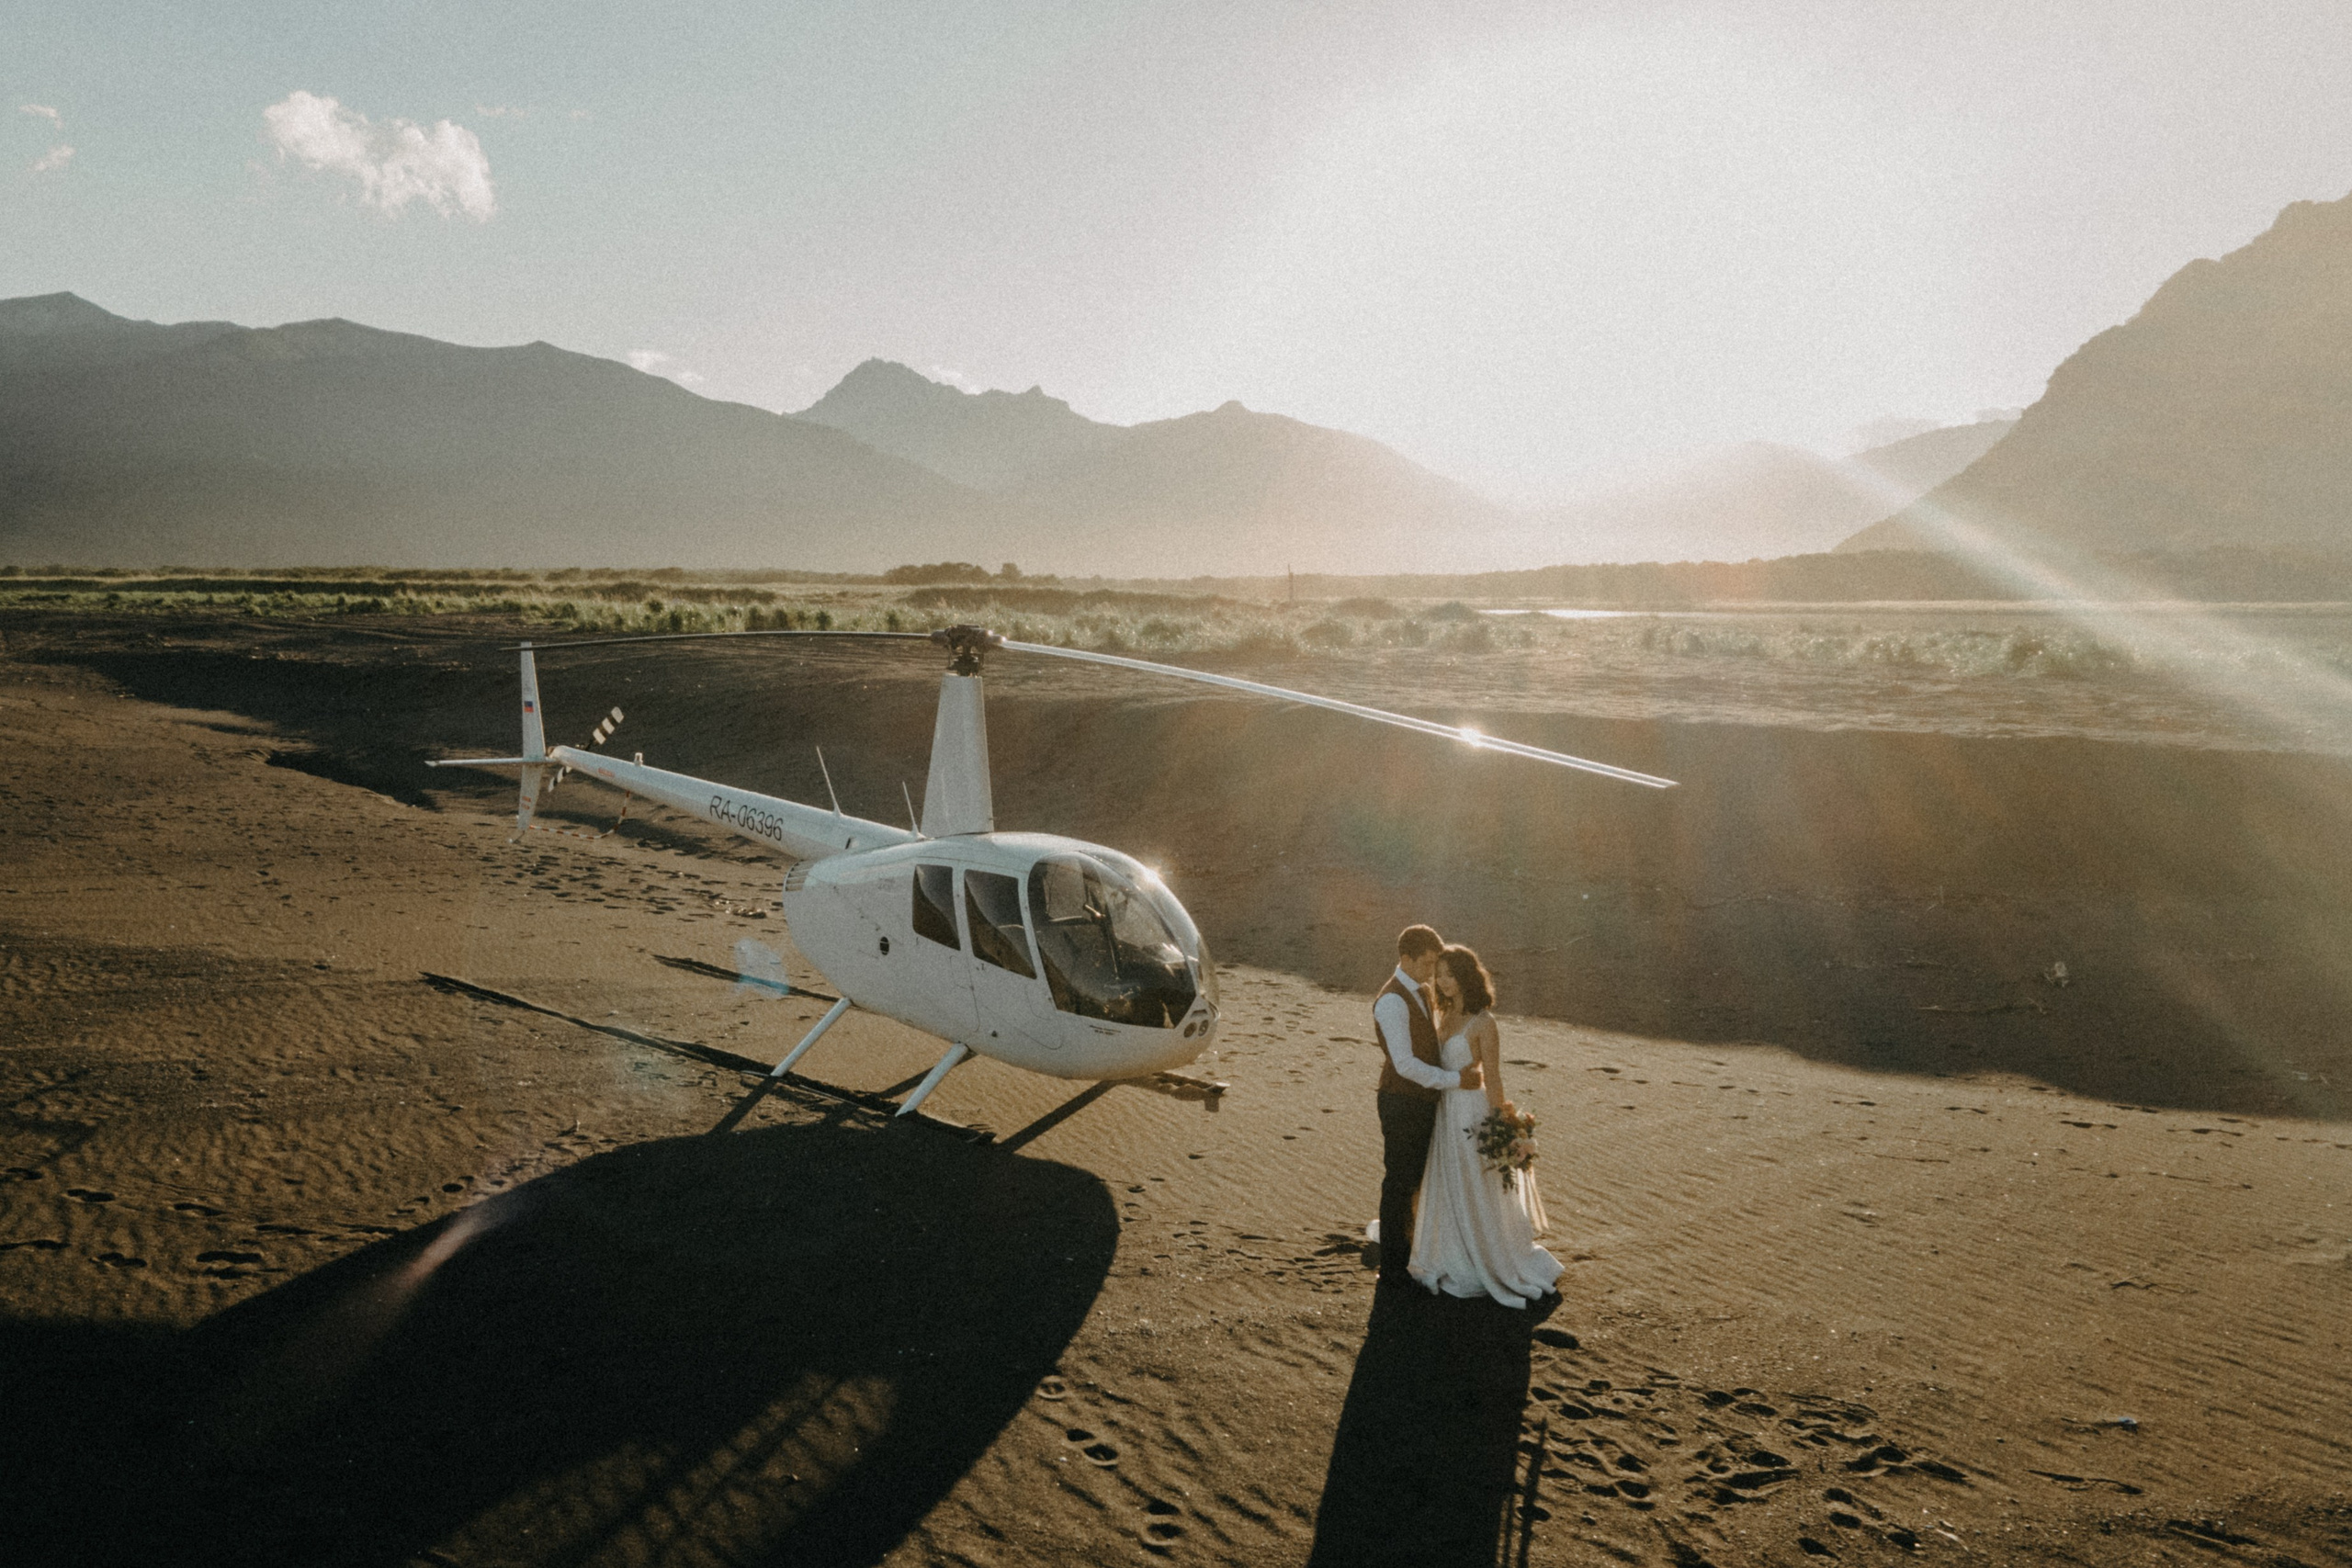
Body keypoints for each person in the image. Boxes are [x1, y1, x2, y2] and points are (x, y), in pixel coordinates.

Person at [1407, 943, 1562, 1308]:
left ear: (1467, 977)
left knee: (1472, 1180)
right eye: (1439, 974)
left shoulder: (1484, 1022)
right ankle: (1447, 1250)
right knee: (1446, 1179)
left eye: (1450, 974)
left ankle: (1483, 1256)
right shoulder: (1441, 1015)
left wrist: (1508, 1127)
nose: (1443, 981)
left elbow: (1493, 1079)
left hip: (1469, 1114)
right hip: (1442, 1110)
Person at [1369, 924, 1481, 1288]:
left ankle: (1410, 1252)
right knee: (1399, 1183)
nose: (1433, 971)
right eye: (1428, 963)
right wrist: (1455, 1081)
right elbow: (1405, 1065)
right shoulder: (1391, 1001)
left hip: (1421, 1101)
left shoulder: (1423, 991)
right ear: (1406, 959)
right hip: (1401, 1102)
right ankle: (1392, 1268)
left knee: (1416, 1181)